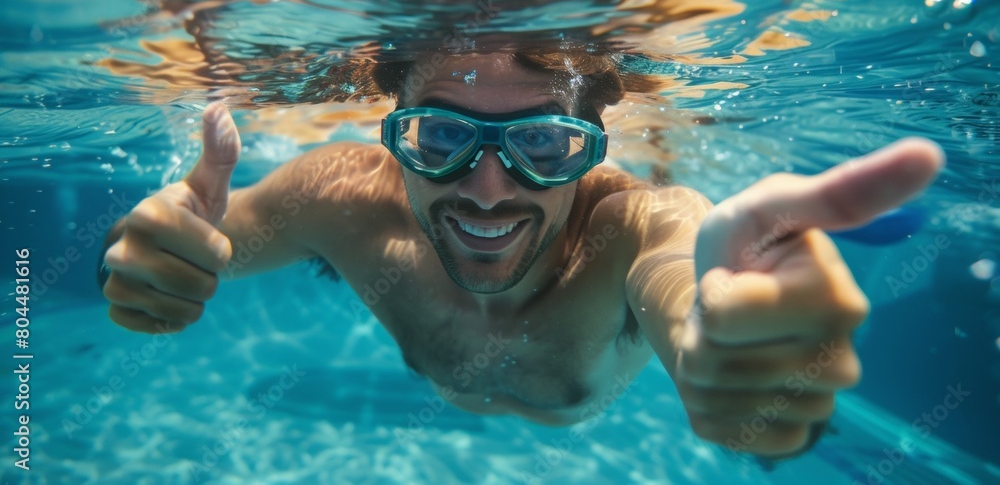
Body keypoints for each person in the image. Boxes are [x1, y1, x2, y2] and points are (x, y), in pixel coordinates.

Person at [98, 50, 943, 459]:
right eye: (442, 136)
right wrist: (141, 254)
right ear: (396, 139)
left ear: (591, 149)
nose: (490, 189)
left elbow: (682, 277)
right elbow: (185, 238)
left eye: (542, 141)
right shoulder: (342, 200)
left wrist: (740, 346)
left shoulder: (638, 228)